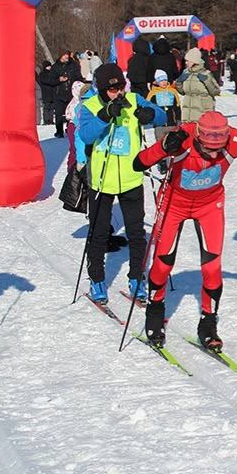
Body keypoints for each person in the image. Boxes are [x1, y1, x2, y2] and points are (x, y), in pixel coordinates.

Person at [133, 111, 237, 351]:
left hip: (209, 206)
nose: (214, 155)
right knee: (163, 262)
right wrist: (163, 147)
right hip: (174, 203)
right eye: (208, 150)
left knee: (212, 266)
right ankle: (155, 309)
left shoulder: (233, 139)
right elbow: (138, 163)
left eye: (218, 150)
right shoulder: (182, 137)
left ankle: (208, 323)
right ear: (199, 138)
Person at [76, 64, 167, 304]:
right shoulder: (90, 106)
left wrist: (151, 115)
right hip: (101, 181)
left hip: (131, 179)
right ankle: (97, 279)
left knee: (136, 234)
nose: (118, 92)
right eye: (112, 88)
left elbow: (162, 114)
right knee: (97, 234)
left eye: (120, 86)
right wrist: (105, 116)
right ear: (102, 89)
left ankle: (137, 277)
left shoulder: (134, 100)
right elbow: (85, 135)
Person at [146, 69, 182, 166]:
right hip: (159, 125)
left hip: (172, 123)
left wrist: (178, 119)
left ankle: (174, 162)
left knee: (173, 143)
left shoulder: (173, 91)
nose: (164, 82)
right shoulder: (153, 93)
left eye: (165, 80)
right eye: (161, 80)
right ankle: (162, 163)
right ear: (157, 81)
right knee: (160, 144)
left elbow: (177, 106)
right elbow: (148, 108)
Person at [175, 48, 221, 123]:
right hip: (188, 115)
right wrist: (179, 82)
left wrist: (207, 81)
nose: (186, 63)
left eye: (188, 61)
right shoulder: (186, 72)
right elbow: (182, 92)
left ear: (195, 61)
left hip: (202, 114)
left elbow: (216, 91)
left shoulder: (206, 73)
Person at [48, 52, 84, 138]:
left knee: (71, 113)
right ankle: (59, 131)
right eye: (64, 55)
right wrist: (59, 79)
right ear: (60, 56)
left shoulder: (74, 65)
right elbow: (50, 80)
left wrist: (79, 85)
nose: (67, 56)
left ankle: (69, 129)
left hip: (71, 93)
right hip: (59, 93)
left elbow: (79, 77)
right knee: (59, 114)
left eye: (67, 54)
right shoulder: (55, 67)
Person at [37, 60, 57, 125]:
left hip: (52, 93)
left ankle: (51, 120)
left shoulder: (52, 73)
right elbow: (44, 81)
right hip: (46, 93)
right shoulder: (42, 74)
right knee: (46, 107)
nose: (49, 67)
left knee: (51, 107)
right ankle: (46, 120)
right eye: (48, 66)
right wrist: (52, 82)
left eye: (50, 66)